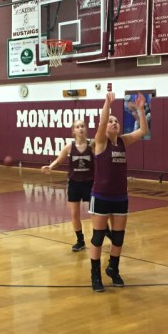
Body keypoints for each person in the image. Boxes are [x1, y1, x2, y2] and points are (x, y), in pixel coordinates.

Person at [88, 92, 147, 292]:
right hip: (101, 196)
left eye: (117, 121)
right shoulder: (100, 142)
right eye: (111, 121)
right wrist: (107, 103)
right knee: (97, 237)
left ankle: (113, 268)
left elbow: (142, 131)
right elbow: (101, 122)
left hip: (120, 197)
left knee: (119, 237)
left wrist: (140, 109)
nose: (114, 123)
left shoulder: (122, 141)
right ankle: (95, 275)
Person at [41, 119, 94, 252]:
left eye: (83, 126)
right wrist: (50, 166)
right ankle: (80, 240)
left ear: (86, 129)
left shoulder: (92, 145)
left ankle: (104, 232)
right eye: (77, 127)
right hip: (74, 184)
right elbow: (59, 160)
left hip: (90, 183)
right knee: (74, 214)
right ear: (73, 131)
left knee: (96, 213)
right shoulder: (69, 147)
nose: (81, 128)